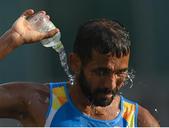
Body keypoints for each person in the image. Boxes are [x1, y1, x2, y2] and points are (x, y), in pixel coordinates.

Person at [0, 10, 160, 127]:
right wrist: (12, 40)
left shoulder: (140, 121)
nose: (110, 84)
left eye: (120, 73)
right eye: (101, 72)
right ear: (75, 63)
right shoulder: (38, 102)